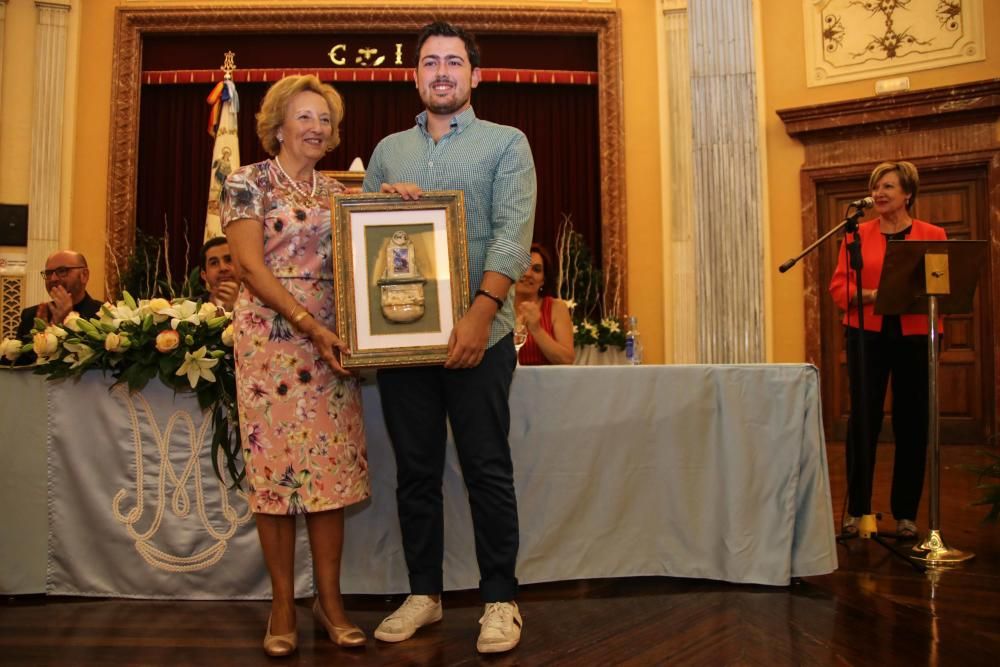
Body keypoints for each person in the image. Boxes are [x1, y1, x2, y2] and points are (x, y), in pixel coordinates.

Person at [362, 21, 535, 655]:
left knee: (487, 468)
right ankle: (424, 595)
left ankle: (500, 599)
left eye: (454, 62)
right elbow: (368, 241)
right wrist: (387, 203)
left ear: (474, 75)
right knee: (416, 471)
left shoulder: (506, 143)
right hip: (402, 339)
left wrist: (482, 312)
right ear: (415, 75)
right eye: (430, 62)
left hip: (480, 337)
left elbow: (514, 234)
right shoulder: (387, 152)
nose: (442, 72)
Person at [220, 74, 369, 657]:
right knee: (276, 477)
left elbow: (375, 249)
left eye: (325, 120)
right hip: (271, 343)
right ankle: (283, 603)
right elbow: (251, 270)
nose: (316, 128)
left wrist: (401, 200)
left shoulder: (338, 193)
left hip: (332, 347)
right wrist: (310, 325)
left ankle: (329, 601)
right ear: (278, 124)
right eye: (304, 117)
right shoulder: (246, 183)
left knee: (329, 477)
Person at [829, 160, 946, 540]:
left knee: (913, 422)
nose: (879, 193)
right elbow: (839, 291)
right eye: (876, 187)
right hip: (867, 333)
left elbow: (944, 286)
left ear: (908, 193)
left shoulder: (933, 234)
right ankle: (859, 510)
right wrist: (872, 295)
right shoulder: (855, 235)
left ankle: (906, 514)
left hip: (916, 335)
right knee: (864, 420)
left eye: (888, 187)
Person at [12, 250, 102, 365]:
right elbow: (17, 368)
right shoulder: (31, 316)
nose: (53, 278)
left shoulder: (103, 315)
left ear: (84, 275)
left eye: (62, 271)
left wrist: (60, 326)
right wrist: (42, 334)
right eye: (49, 273)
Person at [514, 243, 574, 365]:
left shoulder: (556, 308)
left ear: (543, 280)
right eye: (522, 267)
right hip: (503, 382)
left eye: (536, 269)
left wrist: (536, 329)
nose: (528, 274)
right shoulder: (497, 307)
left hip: (547, 382)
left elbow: (567, 360)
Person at [198, 236, 238, 311]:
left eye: (229, 260)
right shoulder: (192, 310)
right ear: (204, 275)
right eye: (214, 263)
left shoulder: (261, 303)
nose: (223, 268)